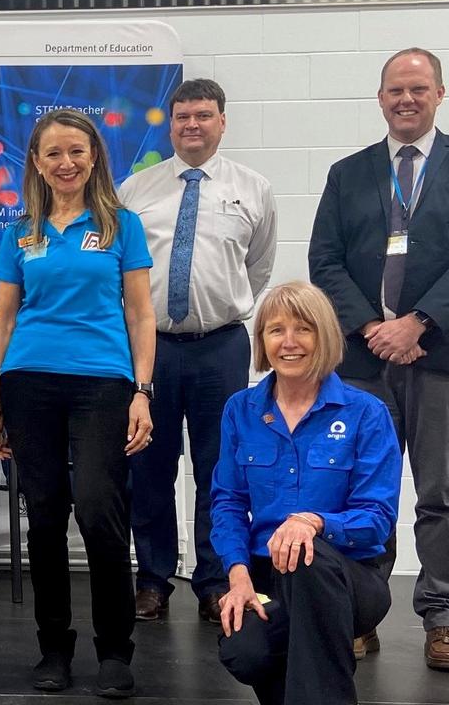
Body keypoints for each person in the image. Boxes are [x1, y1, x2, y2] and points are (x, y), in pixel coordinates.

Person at [308, 47, 449, 671]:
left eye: (418, 89)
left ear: (440, 94)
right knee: (360, 490)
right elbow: (325, 261)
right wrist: (372, 327)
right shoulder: (349, 172)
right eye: (395, 90)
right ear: (380, 97)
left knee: (440, 492)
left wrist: (418, 322)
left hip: (443, 353)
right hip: (365, 360)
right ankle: (359, 617)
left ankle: (443, 619)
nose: (406, 100)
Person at [0, 108, 155, 698]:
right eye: (53, 153)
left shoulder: (121, 225)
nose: (66, 163)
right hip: (29, 381)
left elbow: (140, 313)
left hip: (103, 382)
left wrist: (142, 391)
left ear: (94, 158)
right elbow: (3, 321)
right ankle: (53, 647)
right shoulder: (20, 233)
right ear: (36, 161)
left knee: (99, 507)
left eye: (76, 152)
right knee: (46, 514)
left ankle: (115, 650)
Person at [118, 78, 277, 623]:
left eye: (203, 116)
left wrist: (220, 307)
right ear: (170, 123)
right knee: (151, 466)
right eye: (182, 116)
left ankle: (214, 579)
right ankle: (154, 578)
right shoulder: (135, 190)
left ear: (222, 121)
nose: (192, 125)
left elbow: (257, 268)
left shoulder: (252, 189)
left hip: (222, 347)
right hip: (151, 347)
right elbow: (120, 272)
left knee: (221, 468)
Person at [212, 281, 401, 705]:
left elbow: (377, 518)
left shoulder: (366, 413)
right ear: (262, 341)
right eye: (275, 330)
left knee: (305, 558)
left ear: (325, 336)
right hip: (265, 577)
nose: (289, 342)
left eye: (304, 329)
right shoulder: (240, 410)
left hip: (349, 578)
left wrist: (314, 522)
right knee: (245, 653)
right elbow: (227, 502)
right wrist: (237, 574)